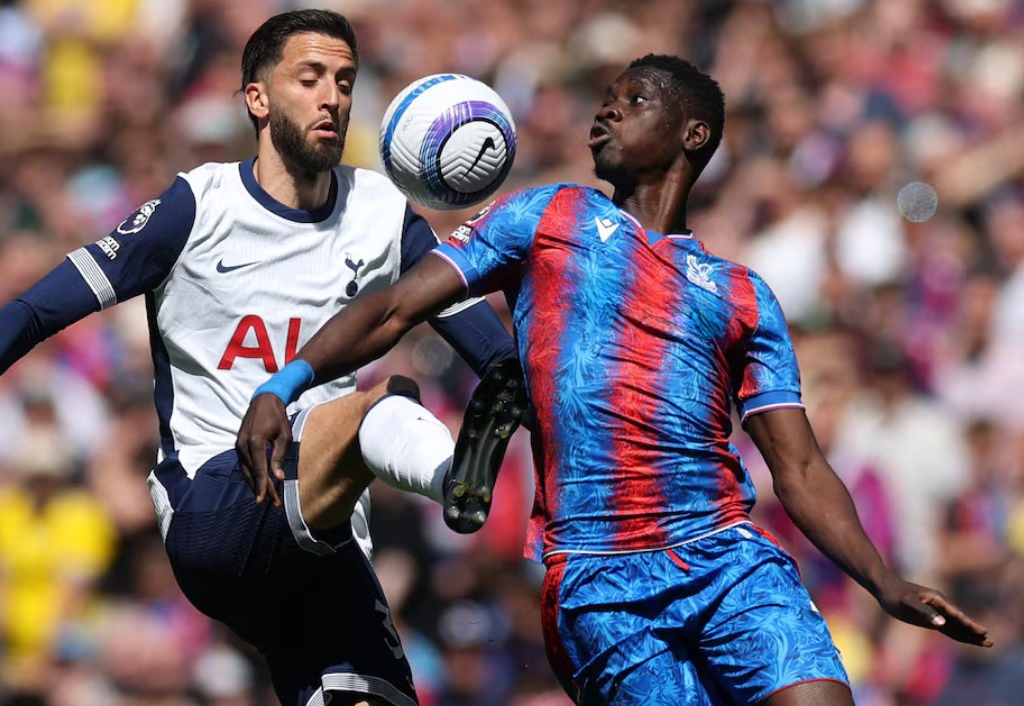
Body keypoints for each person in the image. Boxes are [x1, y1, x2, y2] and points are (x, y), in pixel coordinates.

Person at [237, 54, 993, 705]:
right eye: (606, 99)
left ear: (693, 135)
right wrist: (285, 383)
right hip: (599, 583)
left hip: (728, 555)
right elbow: (396, 308)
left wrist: (881, 579)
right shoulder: (546, 217)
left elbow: (797, 466)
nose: (606, 111)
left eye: (633, 101)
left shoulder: (741, 292)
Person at [0, 9, 517, 706]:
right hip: (215, 503)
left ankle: (450, 479)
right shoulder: (197, 208)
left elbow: (496, 361)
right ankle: (454, 482)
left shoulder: (383, 212)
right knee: (382, 407)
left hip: (326, 542)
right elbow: (37, 308)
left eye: (346, 81)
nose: (332, 97)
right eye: (310, 77)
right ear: (257, 98)